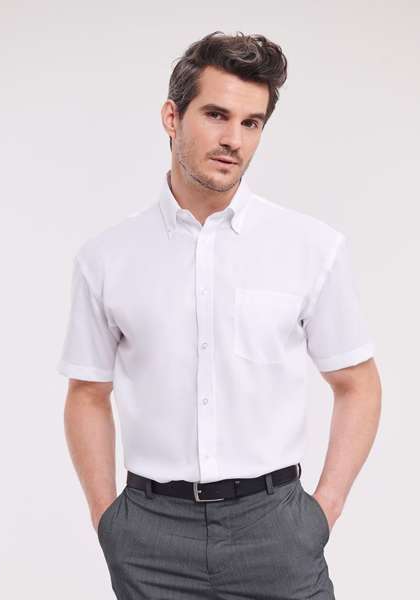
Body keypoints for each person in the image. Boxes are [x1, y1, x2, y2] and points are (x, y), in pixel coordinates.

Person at [57, 30, 382, 600]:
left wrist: (321, 514)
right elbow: (87, 393)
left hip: (276, 529)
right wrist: (108, 520)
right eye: (216, 115)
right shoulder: (106, 258)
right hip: (151, 537)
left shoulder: (311, 248)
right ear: (172, 117)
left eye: (252, 123)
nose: (234, 139)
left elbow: (358, 384)